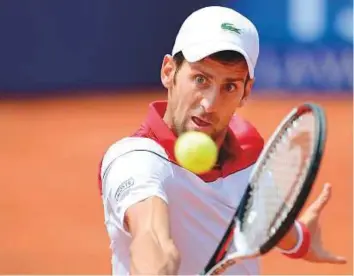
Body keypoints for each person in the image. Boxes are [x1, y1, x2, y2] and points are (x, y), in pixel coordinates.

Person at [98, 6, 346, 275]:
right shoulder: (135, 160)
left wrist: (301, 240)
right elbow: (152, 237)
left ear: (246, 91)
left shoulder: (250, 157)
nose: (210, 103)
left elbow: (260, 217)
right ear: (169, 72)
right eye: (200, 79)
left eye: (229, 87)